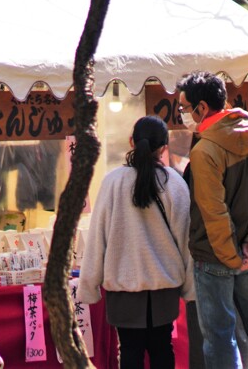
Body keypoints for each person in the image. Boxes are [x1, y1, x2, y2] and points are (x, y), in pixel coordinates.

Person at [176, 71, 248, 369]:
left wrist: (234, 257)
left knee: (220, 337)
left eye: (185, 108)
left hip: (215, 257)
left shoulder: (205, 150)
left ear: (201, 107)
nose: (183, 115)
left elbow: (214, 212)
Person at [78, 116, 195, 369]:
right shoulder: (174, 183)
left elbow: (97, 237)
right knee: (162, 348)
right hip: (164, 288)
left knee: (130, 350)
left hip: (123, 290)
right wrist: (190, 289)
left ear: (132, 142)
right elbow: (187, 241)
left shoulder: (112, 182)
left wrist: (88, 285)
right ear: (164, 148)